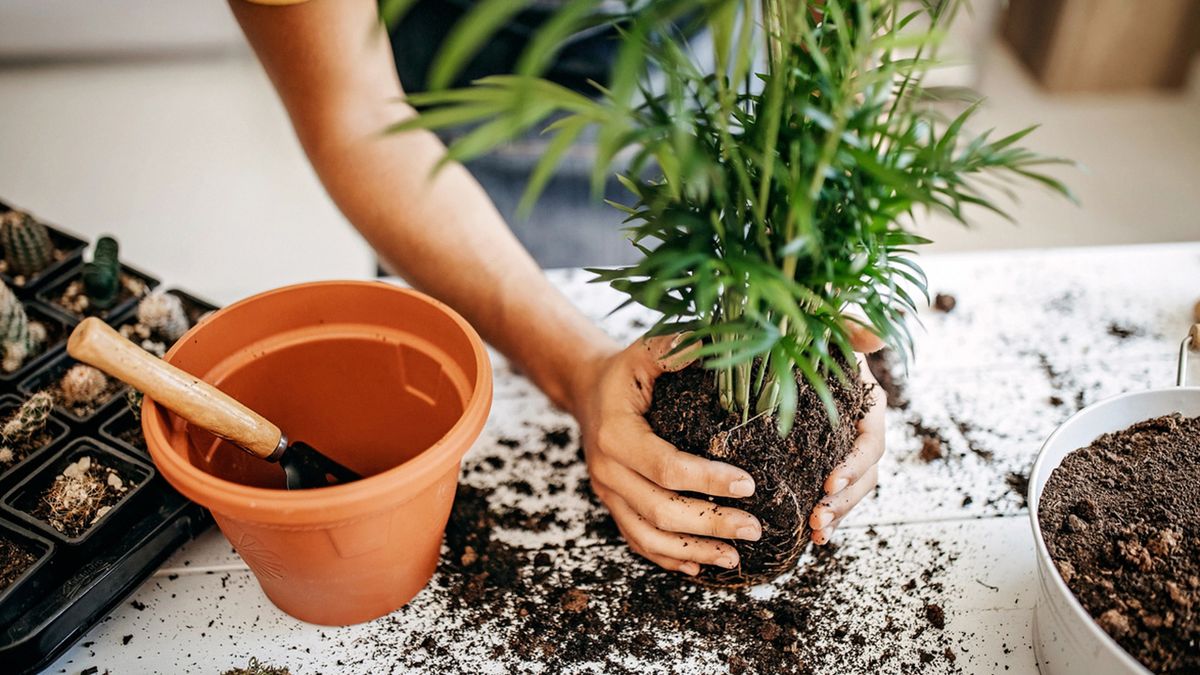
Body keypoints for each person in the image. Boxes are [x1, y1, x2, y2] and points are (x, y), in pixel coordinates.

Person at [230, 0, 886, 577]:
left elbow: (844, 47)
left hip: (727, 144)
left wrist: (810, 267)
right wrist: (581, 371)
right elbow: (356, 113)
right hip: (457, 174)